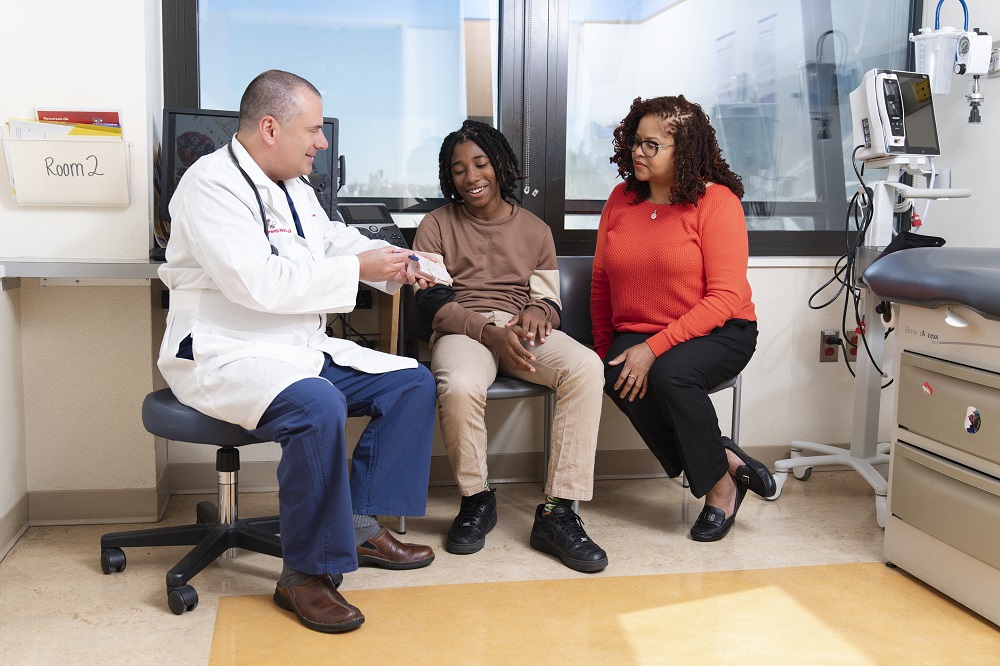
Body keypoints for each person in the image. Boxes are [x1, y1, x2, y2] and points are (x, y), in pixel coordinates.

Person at [157, 69, 437, 633]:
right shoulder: (211, 186)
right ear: (269, 127)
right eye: (313, 130)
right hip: (224, 350)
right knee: (318, 407)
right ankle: (305, 575)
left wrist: (399, 263)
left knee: (411, 382)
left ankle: (357, 525)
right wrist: (356, 270)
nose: (323, 142)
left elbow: (337, 241)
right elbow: (255, 283)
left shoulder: (296, 187)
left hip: (294, 347)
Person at [412, 120, 608, 572]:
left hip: (520, 330)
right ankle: (476, 500)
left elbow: (548, 297)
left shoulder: (537, 230)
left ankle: (559, 512)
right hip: (463, 329)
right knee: (459, 384)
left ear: (500, 165)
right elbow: (431, 303)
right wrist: (488, 332)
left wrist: (542, 312)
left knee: (585, 367)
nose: (471, 176)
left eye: (480, 163)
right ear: (449, 177)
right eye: (458, 169)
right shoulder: (435, 225)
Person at [592, 95, 776, 543]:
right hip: (640, 331)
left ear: (684, 150)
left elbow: (726, 296)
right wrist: (603, 351)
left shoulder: (717, 202)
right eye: (636, 142)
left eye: (652, 145)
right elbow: (600, 281)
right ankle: (724, 457)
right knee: (617, 372)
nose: (638, 151)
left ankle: (720, 490)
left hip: (720, 330)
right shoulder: (621, 199)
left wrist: (653, 349)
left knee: (672, 374)